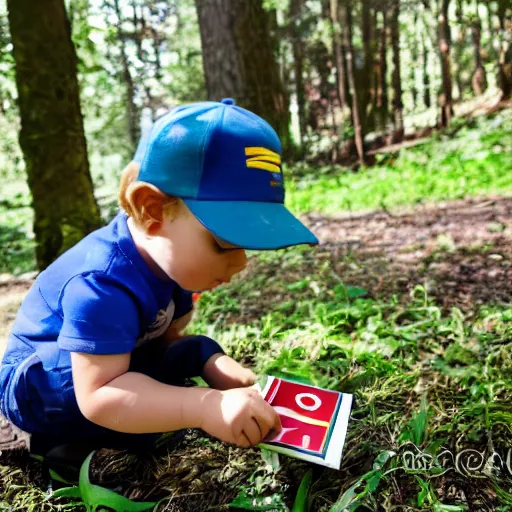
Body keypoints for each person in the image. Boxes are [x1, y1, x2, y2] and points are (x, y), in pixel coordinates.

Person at [0, 98, 319, 465]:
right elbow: (98, 393)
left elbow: (164, 340)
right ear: (153, 210)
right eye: (223, 243)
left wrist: (206, 359)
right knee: (76, 386)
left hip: (121, 356)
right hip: (47, 385)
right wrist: (202, 406)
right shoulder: (100, 284)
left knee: (177, 352)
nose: (241, 263)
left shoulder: (172, 265)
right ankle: (57, 443)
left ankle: (175, 378)